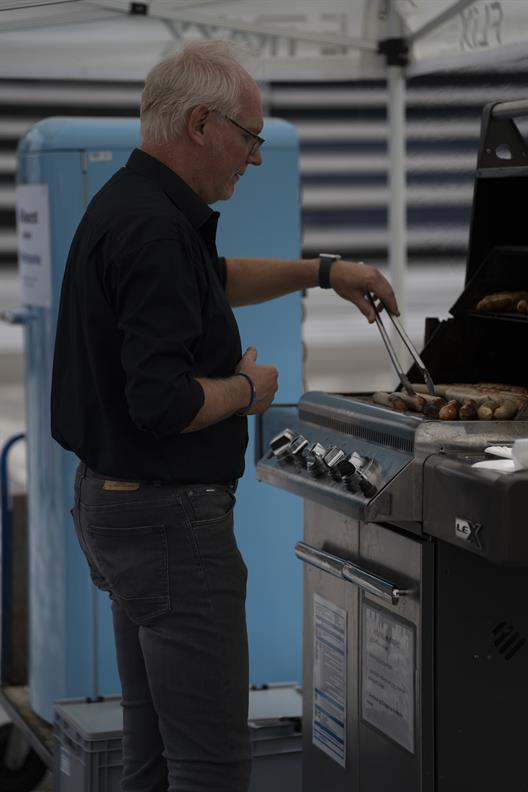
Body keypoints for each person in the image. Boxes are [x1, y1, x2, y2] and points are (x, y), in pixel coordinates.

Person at [51, 40, 399, 792]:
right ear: (203, 124)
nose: (254, 158)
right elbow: (164, 403)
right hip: (169, 525)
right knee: (211, 770)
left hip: (115, 510)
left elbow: (212, 280)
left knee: (149, 760)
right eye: (250, 138)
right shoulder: (153, 229)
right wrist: (248, 388)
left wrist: (326, 272)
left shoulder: (134, 206)